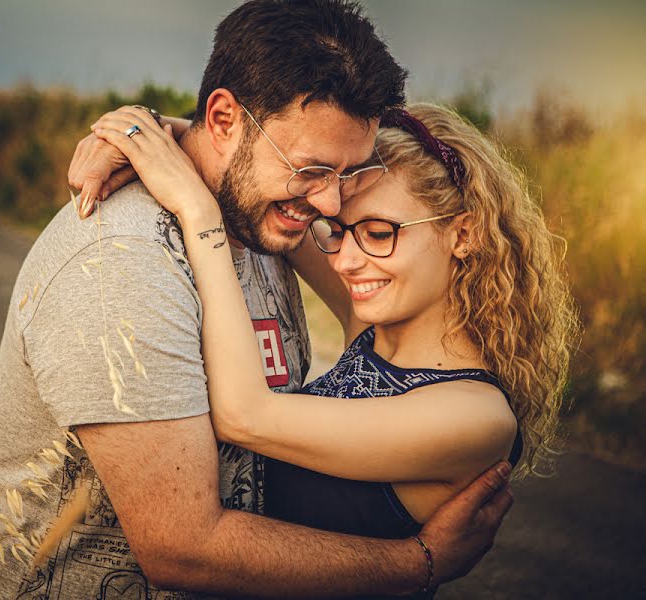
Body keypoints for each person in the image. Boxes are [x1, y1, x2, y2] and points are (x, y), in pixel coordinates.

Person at [0, 2, 515, 598]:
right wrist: (419, 563)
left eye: (344, 174)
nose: (331, 209)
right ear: (225, 120)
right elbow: (180, 545)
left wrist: (151, 128)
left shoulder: (268, 223)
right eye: (313, 169)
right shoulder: (121, 261)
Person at [83, 101, 578, 597]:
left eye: (379, 233)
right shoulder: (375, 320)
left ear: (463, 233)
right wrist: (143, 133)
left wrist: (198, 212)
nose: (346, 262)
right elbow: (259, 193)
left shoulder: (475, 417)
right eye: (338, 232)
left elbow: (243, 415)